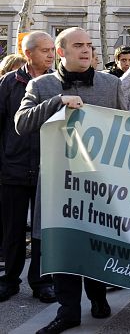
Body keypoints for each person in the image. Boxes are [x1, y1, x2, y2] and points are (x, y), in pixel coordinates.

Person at [15, 27, 127, 334]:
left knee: (96, 243)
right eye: (78, 45)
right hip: (56, 184)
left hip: (98, 184)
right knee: (61, 246)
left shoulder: (111, 83)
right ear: (61, 51)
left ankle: (98, 295)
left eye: (90, 45)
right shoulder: (41, 85)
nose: (86, 50)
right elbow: (21, 124)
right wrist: (57, 103)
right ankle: (68, 311)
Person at [0, 32, 56, 305]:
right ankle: (9, 280)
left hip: (49, 169)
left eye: (52, 50)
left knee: (43, 231)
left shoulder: (58, 83)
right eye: (45, 50)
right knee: (12, 230)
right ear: (29, 53)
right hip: (14, 168)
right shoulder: (9, 83)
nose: (51, 54)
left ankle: (41, 282)